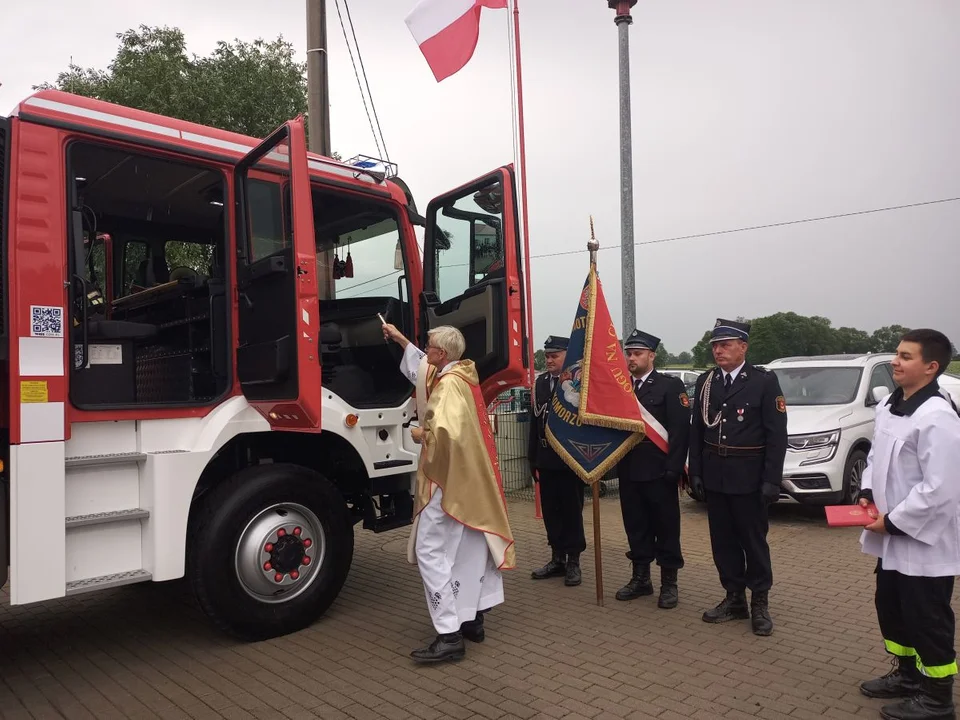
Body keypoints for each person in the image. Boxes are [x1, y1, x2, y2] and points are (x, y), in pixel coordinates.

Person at [382, 322, 516, 663]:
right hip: (470, 481)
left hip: (446, 483)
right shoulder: (461, 375)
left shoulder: (449, 387)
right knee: (470, 547)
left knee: (430, 551)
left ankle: (448, 634)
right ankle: (473, 618)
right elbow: (422, 371)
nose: (425, 352)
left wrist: (419, 434)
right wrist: (400, 341)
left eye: (429, 347)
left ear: (442, 354)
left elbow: (445, 433)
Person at [856, 329, 960, 720]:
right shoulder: (889, 405)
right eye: (897, 354)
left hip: (922, 539)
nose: (895, 361)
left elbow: (942, 488)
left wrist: (895, 522)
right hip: (890, 534)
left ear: (931, 367)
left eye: (906, 356)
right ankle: (907, 676)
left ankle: (937, 699)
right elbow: (874, 458)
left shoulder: (938, 416)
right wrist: (866, 492)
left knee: (927, 617)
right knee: (892, 605)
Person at [689, 318, 787, 636]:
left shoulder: (763, 381)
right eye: (716, 346)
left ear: (743, 347)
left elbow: (777, 435)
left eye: (726, 345)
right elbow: (697, 431)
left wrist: (772, 479)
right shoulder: (706, 382)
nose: (719, 351)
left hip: (749, 478)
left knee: (753, 543)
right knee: (723, 543)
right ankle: (734, 599)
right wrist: (697, 473)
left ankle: (759, 602)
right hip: (716, 476)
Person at [614, 329, 690, 609]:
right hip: (629, 470)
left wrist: (674, 470)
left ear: (651, 356)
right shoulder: (621, 387)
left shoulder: (669, 387)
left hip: (659, 471)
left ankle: (669, 584)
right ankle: (641, 579)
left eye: (637, 353)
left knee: (666, 528)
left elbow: (681, 431)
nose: (631, 358)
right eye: (629, 353)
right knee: (636, 526)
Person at [528, 335, 586, 587]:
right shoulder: (540, 383)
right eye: (547, 356)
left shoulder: (578, 383)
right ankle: (557, 558)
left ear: (567, 356)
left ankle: (573, 561)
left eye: (554, 356)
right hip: (546, 458)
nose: (549, 360)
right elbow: (534, 423)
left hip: (569, 459)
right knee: (551, 512)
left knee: (571, 511)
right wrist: (532, 459)